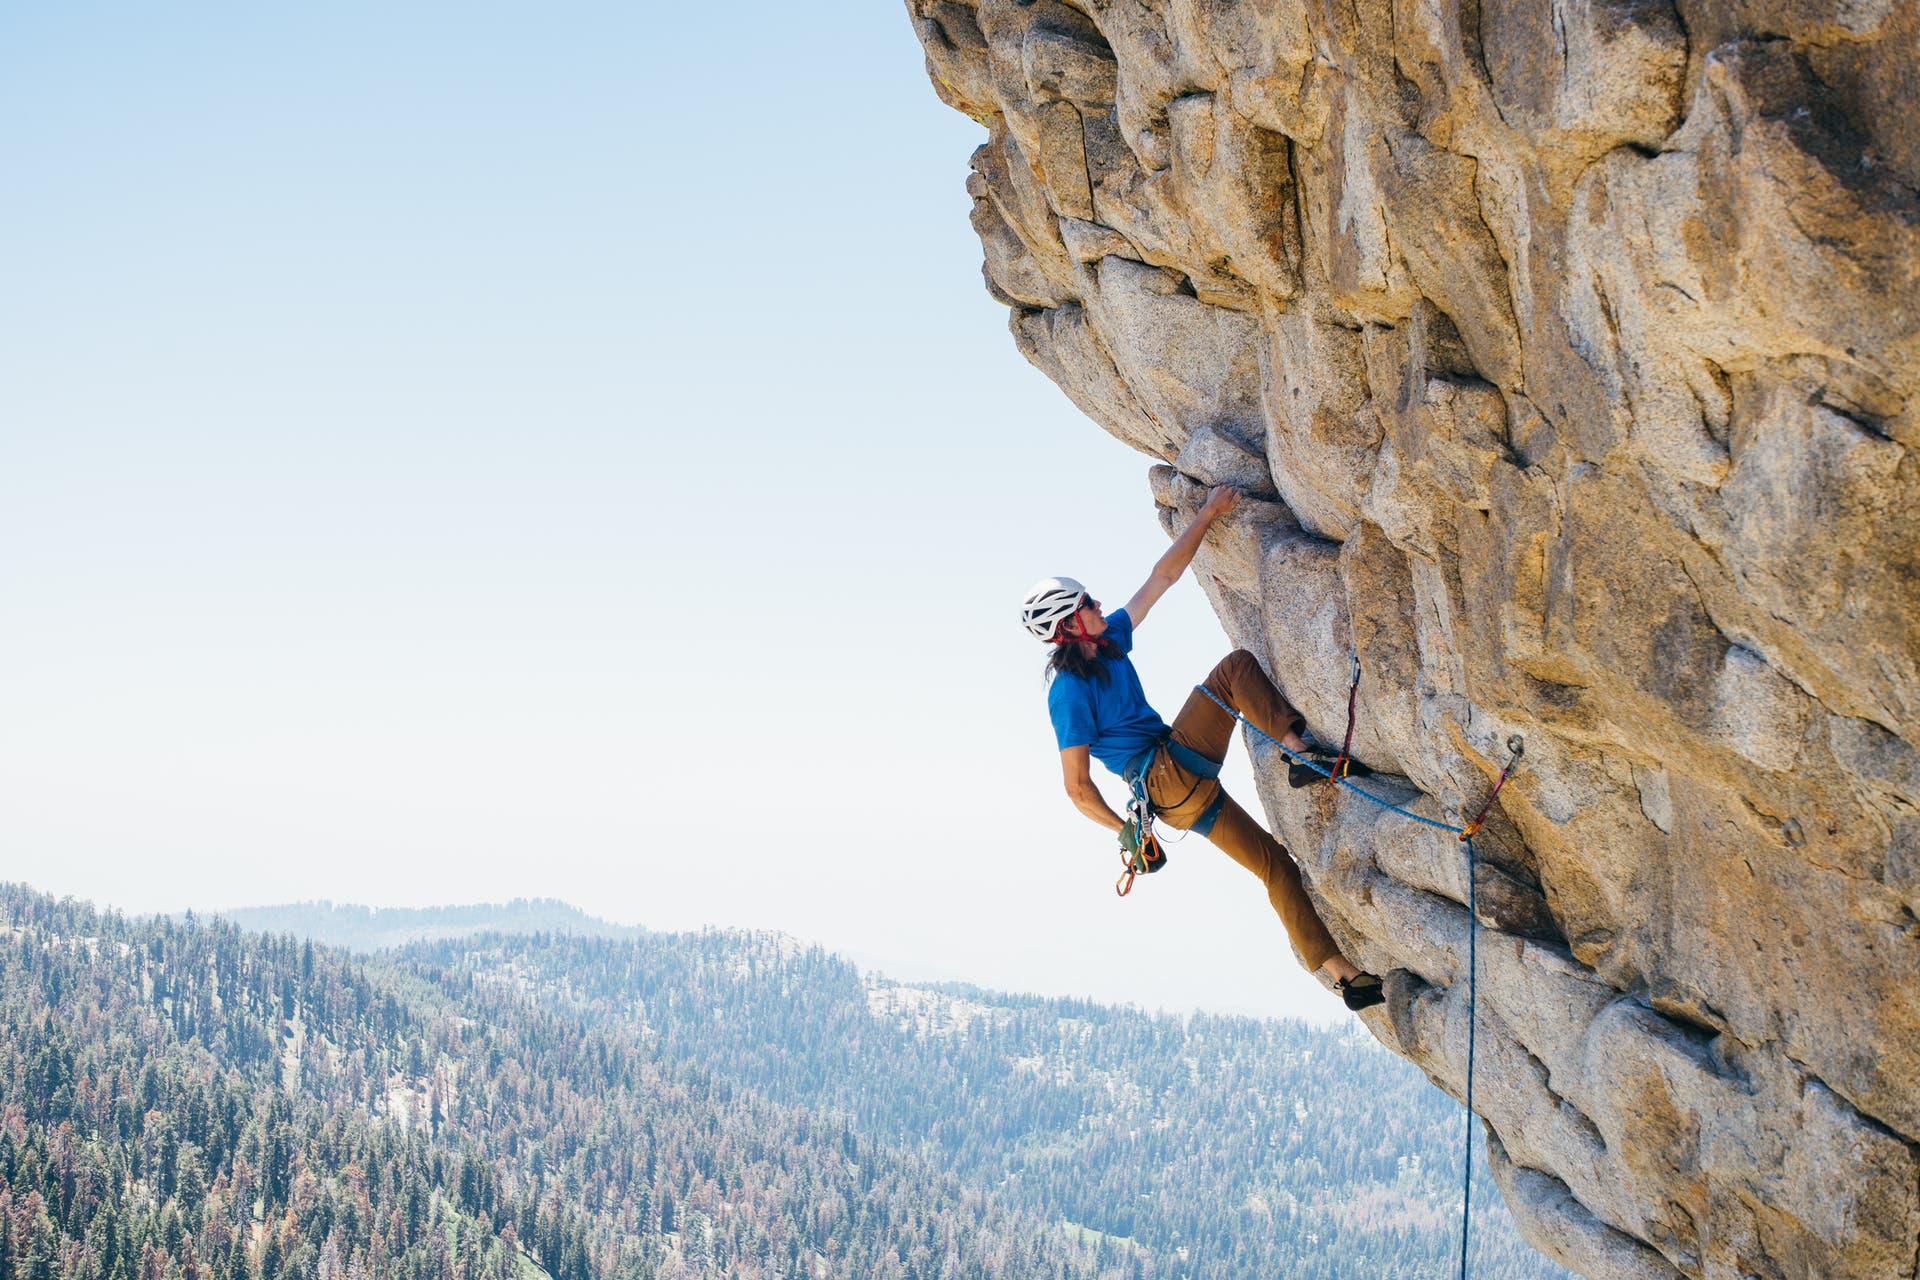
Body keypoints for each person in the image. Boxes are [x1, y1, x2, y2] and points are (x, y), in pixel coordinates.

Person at [1021, 485, 1386, 1012]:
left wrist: (1210, 515)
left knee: (1275, 867)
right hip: (1167, 774)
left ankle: (1346, 979)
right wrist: (1122, 830)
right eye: (1086, 604)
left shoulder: (1108, 644)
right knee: (1234, 669)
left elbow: (1161, 578)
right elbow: (1076, 788)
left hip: (1176, 797)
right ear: (1068, 624)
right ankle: (1300, 753)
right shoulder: (1069, 692)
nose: (1099, 604)